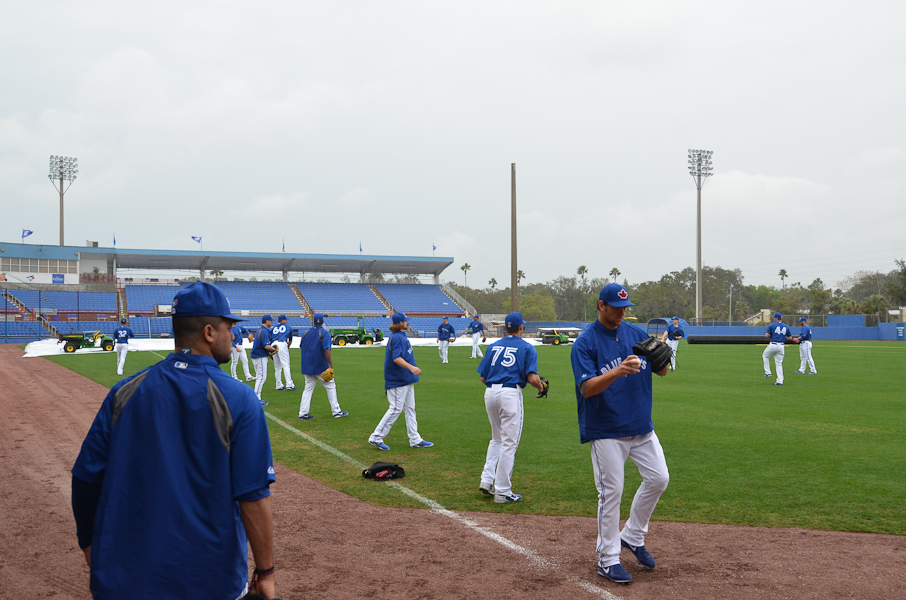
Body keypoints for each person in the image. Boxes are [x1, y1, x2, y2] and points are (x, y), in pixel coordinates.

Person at [71, 281, 278, 599]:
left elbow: (85, 478)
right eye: (228, 327)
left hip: (125, 581)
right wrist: (265, 572)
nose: (232, 334)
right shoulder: (239, 398)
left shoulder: (124, 392)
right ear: (209, 332)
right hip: (209, 581)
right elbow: (253, 497)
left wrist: (89, 545)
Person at [570, 283, 670, 585]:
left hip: (640, 424)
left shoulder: (635, 334)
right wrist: (617, 371)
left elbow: (662, 372)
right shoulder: (585, 343)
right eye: (616, 307)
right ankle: (607, 558)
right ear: (601, 306)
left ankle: (633, 535)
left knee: (659, 478)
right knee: (611, 493)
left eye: (625, 307)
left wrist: (664, 357)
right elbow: (587, 388)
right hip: (606, 428)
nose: (622, 312)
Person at [477, 312, 544, 504]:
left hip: (490, 392)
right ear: (521, 327)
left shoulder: (493, 346)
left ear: (505, 328)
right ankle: (503, 492)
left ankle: (486, 480)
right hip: (510, 393)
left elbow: (483, 377)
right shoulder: (527, 347)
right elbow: (532, 379)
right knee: (509, 444)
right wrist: (541, 386)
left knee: (496, 439)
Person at [368, 312, 433, 451]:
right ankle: (376, 437)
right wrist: (411, 368)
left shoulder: (400, 336)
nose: (407, 323)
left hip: (406, 378)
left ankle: (415, 439)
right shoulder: (397, 337)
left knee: (410, 408)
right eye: (405, 321)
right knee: (396, 408)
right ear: (400, 323)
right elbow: (396, 358)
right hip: (398, 379)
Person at [298, 313, 348, 420]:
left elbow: (302, 347)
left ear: (313, 321)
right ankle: (336, 411)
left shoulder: (306, 333)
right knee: (330, 387)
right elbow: (326, 349)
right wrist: (330, 365)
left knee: (308, 389)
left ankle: (303, 413)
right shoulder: (324, 333)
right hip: (320, 365)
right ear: (323, 322)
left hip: (307, 366)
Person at [250, 314, 276, 404]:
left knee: (259, 377)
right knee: (261, 378)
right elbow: (266, 346)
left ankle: (256, 397)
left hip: (256, 356)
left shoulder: (261, 329)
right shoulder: (264, 331)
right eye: (271, 320)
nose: (272, 322)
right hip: (260, 356)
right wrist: (274, 349)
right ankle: (256, 398)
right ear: (267, 321)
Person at [763, 311, 793, 385]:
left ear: (776, 318)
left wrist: (773, 336)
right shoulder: (786, 326)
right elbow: (790, 338)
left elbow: (767, 335)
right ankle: (780, 380)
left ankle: (768, 372)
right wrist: (782, 338)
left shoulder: (772, 325)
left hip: (773, 344)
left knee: (765, 356)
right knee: (779, 363)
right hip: (781, 346)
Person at [271, 315, 297, 391]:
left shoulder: (274, 328)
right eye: (285, 320)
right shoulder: (288, 327)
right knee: (285, 365)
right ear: (283, 320)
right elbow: (290, 340)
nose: (286, 321)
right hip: (282, 343)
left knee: (277, 367)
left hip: (274, 345)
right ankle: (289, 384)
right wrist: (287, 347)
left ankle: (278, 384)